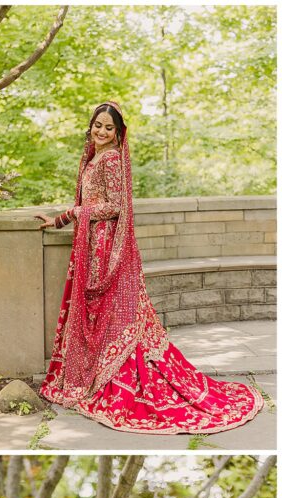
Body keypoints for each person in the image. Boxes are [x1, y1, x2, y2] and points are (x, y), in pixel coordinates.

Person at [36, 101, 262, 433]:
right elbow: (86, 203)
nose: (101, 131)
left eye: (108, 128)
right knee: (100, 313)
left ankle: (112, 376)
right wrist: (59, 220)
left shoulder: (111, 159)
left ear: (118, 133)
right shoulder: (93, 157)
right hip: (90, 243)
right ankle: (96, 373)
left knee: (112, 313)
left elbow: (114, 206)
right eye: (97, 125)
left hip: (104, 246)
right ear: (91, 126)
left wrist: (76, 215)